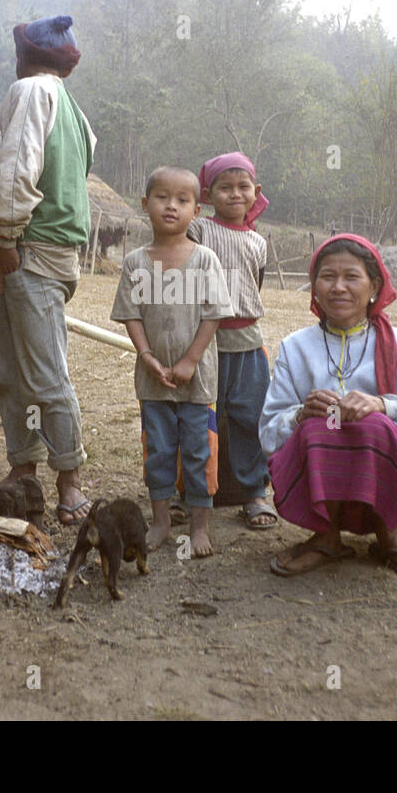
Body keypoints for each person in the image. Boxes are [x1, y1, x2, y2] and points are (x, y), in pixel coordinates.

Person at [259, 234, 397, 577]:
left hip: (386, 469)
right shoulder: (295, 347)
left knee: (372, 424)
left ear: (374, 285)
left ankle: (389, 533)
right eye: (328, 276)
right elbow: (269, 433)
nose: (338, 287)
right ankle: (326, 537)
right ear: (314, 287)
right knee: (320, 424)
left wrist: (382, 405)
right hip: (319, 469)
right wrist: (300, 414)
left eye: (351, 277)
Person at [0, 15, 96, 525]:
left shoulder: (30, 91)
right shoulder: (76, 113)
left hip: (33, 252)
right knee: (11, 369)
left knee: (46, 372)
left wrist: (5, 237)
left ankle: (69, 478)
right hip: (55, 255)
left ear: (24, 56)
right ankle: (24, 466)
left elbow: (17, 170)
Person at [111, 166, 233, 557]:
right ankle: (161, 522)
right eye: (162, 197)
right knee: (158, 450)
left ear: (197, 211)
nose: (171, 206)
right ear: (146, 204)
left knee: (199, 451)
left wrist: (191, 360)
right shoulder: (135, 263)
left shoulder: (205, 260)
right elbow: (130, 313)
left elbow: (214, 314)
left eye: (183, 200)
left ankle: (199, 527)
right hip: (153, 382)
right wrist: (146, 356)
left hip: (196, 382)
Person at [186, 152, 277, 529]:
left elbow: (253, 287)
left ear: (256, 192)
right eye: (225, 187)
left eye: (243, 187)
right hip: (203, 341)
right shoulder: (200, 230)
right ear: (208, 193)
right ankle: (191, 490)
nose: (235, 195)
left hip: (247, 342)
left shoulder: (258, 241)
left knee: (249, 414)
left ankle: (253, 491)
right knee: (199, 415)